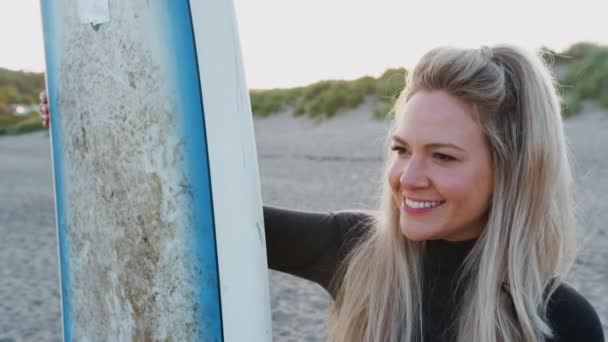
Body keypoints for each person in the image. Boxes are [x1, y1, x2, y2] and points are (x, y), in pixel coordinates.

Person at [39, 45, 604, 342]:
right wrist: (93, 130)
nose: (408, 178)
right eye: (402, 149)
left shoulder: (558, 322)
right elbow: (185, 222)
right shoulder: (355, 252)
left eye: (444, 156)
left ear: (512, 171)